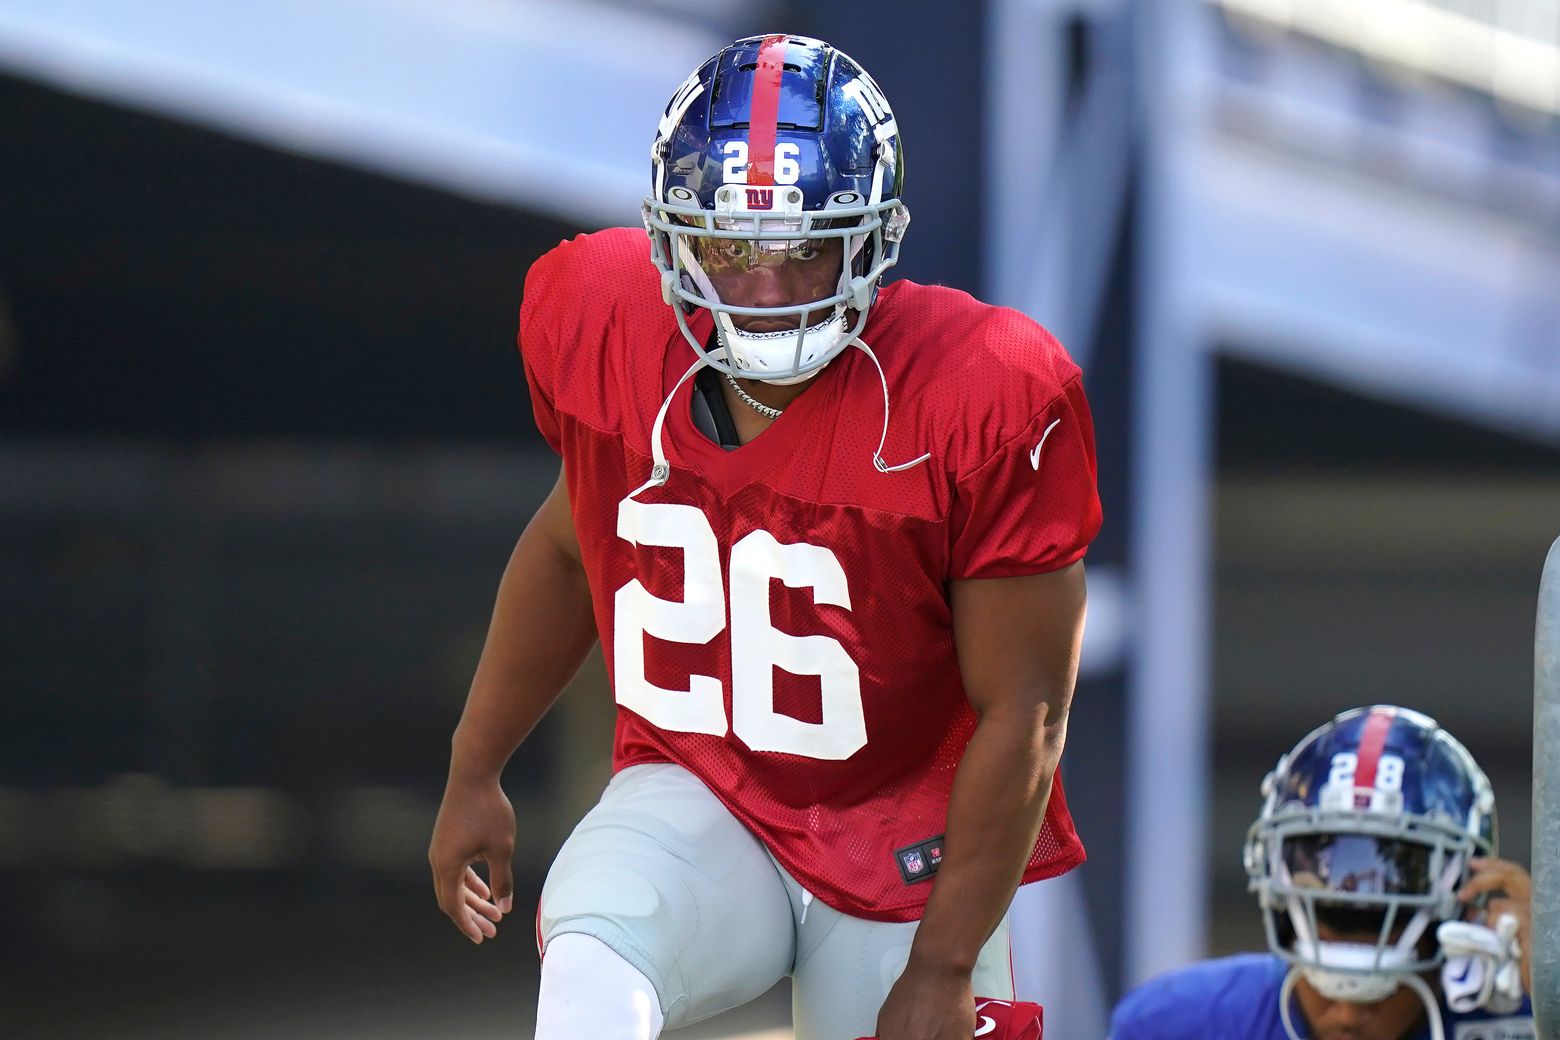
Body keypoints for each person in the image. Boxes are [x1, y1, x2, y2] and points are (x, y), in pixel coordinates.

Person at [427, 33, 1102, 1040]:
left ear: (871, 235)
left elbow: (1027, 706)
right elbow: (572, 546)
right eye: (734, 247)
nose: (768, 285)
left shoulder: (981, 391)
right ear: (676, 237)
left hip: (901, 832)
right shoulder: (607, 325)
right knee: (589, 957)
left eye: (801, 246)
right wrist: (473, 766)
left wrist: (945, 958)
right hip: (702, 794)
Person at [1108, 705, 1535, 1040]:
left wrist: (1552, 980)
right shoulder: (1177, 1025)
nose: (1348, 1014)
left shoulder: (1535, 1014)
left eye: (1379, 993)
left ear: (1468, 907)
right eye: (1328, 988)